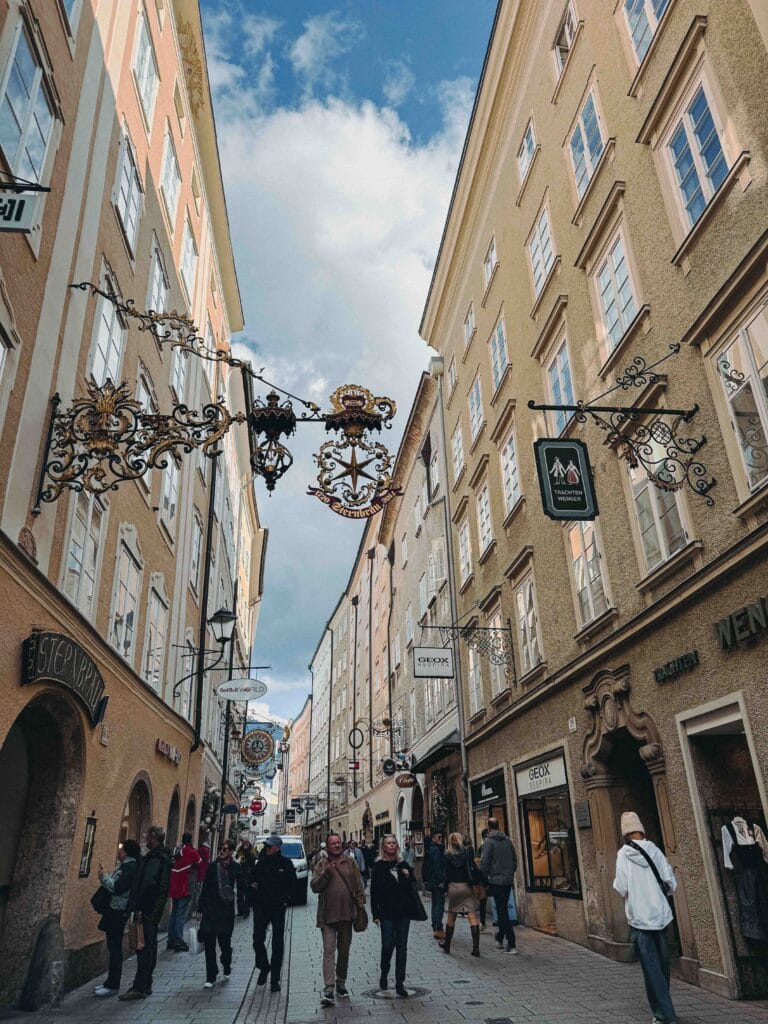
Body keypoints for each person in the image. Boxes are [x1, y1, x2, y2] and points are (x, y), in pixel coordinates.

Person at [613, 812, 678, 1024]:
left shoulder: (623, 854)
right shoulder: (655, 850)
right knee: (662, 964)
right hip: (660, 915)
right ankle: (663, 1009)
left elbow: (621, 886)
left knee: (650, 968)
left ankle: (664, 1014)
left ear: (625, 832)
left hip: (639, 917)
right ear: (641, 829)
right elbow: (670, 882)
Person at [310, 832, 365, 1008]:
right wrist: (326, 873)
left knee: (344, 951)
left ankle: (341, 982)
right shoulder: (322, 864)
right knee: (328, 951)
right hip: (327, 917)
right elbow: (314, 887)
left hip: (347, 915)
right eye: (333, 843)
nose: (336, 845)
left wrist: (361, 905)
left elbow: (358, 885)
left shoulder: (350, 862)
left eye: (338, 842)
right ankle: (329, 988)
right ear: (327, 846)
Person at [120, 825, 171, 1001]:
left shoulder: (155, 858)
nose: (145, 839)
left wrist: (140, 908)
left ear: (154, 838)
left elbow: (148, 885)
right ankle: (146, 984)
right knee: (149, 947)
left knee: (144, 948)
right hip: (153, 909)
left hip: (147, 909)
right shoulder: (160, 856)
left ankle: (139, 987)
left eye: (148, 837)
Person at [370, 834, 425, 997]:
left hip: (403, 912)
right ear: (384, 847)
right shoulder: (379, 866)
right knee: (387, 946)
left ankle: (400, 983)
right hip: (386, 912)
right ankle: (384, 972)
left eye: (394, 843)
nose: (392, 845)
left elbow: (412, 886)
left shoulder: (403, 864)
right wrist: (375, 914)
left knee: (402, 948)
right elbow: (374, 892)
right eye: (389, 843)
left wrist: (408, 877)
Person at [93, 840, 140, 997]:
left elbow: (118, 888)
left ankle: (113, 984)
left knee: (115, 948)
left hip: (117, 910)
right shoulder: (128, 866)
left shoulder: (129, 867)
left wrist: (104, 878)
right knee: (113, 947)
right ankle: (110, 982)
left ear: (126, 853)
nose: (118, 852)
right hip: (117, 909)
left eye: (121, 849)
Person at [250, 835, 296, 993]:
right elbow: (251, 881)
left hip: (277, 907)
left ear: (277, 847)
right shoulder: (261, 863)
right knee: (257, 939)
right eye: (266, 846)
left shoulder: (286, 863)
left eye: (269, 846)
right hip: (261, 907)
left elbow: (293, 884)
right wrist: (253, 894)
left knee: (277, 944)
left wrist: (285, 899)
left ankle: (275, 979)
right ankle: (264, 966)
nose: (267, 848)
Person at [198, 840, 237, 989]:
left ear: (231, 851)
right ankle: (211, 975)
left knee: (225, 945)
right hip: (210, 910)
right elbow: (205, 888)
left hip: (226, 912)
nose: (222, 851)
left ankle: (226, 964)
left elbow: (244, 884)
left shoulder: (235, 868)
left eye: (225, 849)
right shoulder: (212, 867)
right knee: (209, 945)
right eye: (221, 848)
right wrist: (200, 908)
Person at [480, 817, 518, 954]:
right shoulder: (508, 840)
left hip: (496, 881)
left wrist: (485, 879)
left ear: (489, 827)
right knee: (502, 910)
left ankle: (511, 944)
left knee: (502, 912)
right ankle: (500, 937)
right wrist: (509, 873)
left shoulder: (488, 842)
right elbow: (515, 861)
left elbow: (484, 864)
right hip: (507, 881)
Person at [440, 832, 481, 957]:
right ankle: (475, 948)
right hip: (467, 887)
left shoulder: (447, 855)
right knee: (472, 916)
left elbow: (445, 874)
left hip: (454, 887)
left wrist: (443, 890)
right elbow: (474, 869)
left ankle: (447, 944)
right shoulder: (467, 853)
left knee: (451, 917)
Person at [167, 832, 201, 951]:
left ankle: (170, 939)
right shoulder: (192, 852)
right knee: (181, 915)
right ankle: (178, 940)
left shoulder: (177, 849)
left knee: (174, 913)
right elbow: (200, 863)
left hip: (175, 885)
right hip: (185, 886)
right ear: (191, 839)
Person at [422, 832, 447, 939]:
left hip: (433, 880)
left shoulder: (432, 848)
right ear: (433, 838)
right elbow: (437, 866)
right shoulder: (436, 849)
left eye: (441, 837)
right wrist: (442, 880)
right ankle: (438, 927)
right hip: (437, 881)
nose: (441, 838)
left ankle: (435, 925)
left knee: (435, 902)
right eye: (439, 837)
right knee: (439, 904)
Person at [235, 840, 255, 919]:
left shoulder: (252, 850)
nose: (245, 845)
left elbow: (252, 861)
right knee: (239, 894)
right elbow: (237, 858)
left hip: (248, 875)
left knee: (247, 895)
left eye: (247, 843)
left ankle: (246, 912)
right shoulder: (240, 850)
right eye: (244, 843)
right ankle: (240, 911)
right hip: (240, 874)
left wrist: (247, 851)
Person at [193, 832, 211, 913]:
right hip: (202, 874)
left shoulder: (201, 849)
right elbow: (206, 863)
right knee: (199, 892)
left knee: (197, 891)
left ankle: (195, 908)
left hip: (198, 873)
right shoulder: (206, 850)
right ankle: (197, 908)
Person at [476, 829, 489, 929]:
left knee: (483, 901)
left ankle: (483, 922)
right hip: (489, 877)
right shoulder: (482, 848)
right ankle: (483, 921)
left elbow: (477, 861)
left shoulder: (482, 847)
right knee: (483, 900)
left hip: (484, 877)